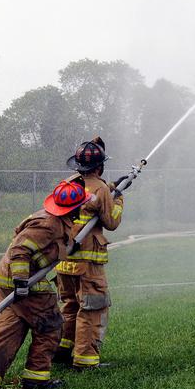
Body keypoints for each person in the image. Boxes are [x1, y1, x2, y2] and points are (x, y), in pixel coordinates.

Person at [0, 179, 90, 389]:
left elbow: (47, 250)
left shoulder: (53, 219)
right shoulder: (48, 224)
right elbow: (20, 249)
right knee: (50, 325)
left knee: (7, 332)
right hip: (24, 284)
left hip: (5, 280)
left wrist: (68, 248)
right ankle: (36, 379)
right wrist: (22, 281)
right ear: (73, 209)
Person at [54, 137, 124, 370]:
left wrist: (112, 187)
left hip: (64, 260)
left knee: (71, 305)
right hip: (88, 262)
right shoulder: (100, 189)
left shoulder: (68, 184)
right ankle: (85, 361)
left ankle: (63, 350)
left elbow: (87, 200)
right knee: (92, 308)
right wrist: (119, 199)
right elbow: (111, 221)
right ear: (99, 166)